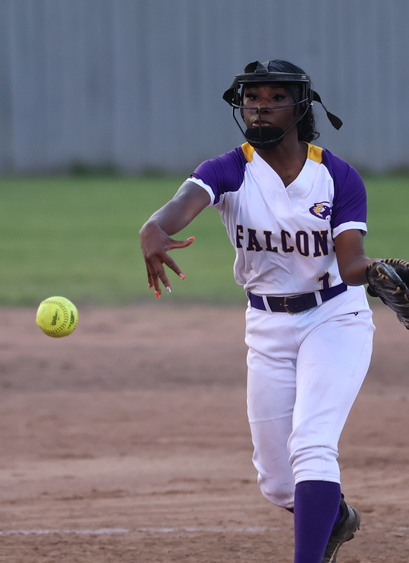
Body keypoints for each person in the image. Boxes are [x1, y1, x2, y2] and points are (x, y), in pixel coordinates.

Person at [139, 59, 384, 563]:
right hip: (267, 325)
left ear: (300, 106)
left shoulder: (336, 176)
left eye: (275, 98)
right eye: (252, 98)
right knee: (277, 482)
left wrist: (380, 272)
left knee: (312, 445)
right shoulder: (229, 169)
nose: (260, 107)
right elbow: (180, 205)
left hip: (334, 317)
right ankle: (336, 516)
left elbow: (352, 263)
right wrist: (154, 229)